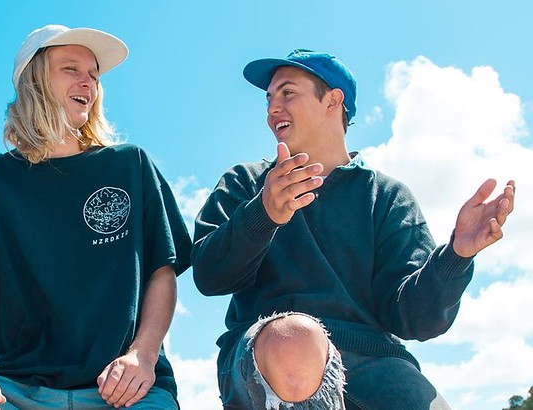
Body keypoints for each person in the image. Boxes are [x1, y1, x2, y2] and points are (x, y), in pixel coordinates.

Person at [191, 49, 515, 410]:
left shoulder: (387, 197)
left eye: (287, 93)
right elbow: (209, 276)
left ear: (333, 100)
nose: (272, 109)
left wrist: (456, 256)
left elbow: (415, 320)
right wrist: (262, 214)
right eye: (269, 99)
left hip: (373, 359)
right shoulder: (246, 182)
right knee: (295, 340)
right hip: (269, 353)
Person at [0, 24, 191, 410]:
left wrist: (143, 356)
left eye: (94, 74)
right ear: (33, 81)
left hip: (126, 387)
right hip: (13, 388)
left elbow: (161, 273)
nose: (88, 81)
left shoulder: (131, 165)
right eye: (71, 69)